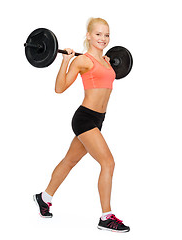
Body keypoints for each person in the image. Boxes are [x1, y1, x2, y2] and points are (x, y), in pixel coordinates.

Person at [33, 17, 130, 233]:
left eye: (106, 35)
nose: (103, 39)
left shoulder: (107, 60)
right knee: (108, 163)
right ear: (88, 36)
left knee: (70, 160)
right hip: (85, 118)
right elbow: (59, 88)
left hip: (99, 119)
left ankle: (44, 197)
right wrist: (65, 61)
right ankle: (106, 217)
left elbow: (114, 71)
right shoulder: (83, 60)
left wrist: (107, 60)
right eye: (98, 34)